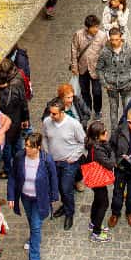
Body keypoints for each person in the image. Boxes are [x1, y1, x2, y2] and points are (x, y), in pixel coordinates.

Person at [12, 130, 58, 260]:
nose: (27, 149)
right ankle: (32, 239)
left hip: (40, 198)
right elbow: (13, 177)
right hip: (26, 197)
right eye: (26, 145)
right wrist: (11, 196)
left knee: (36, 226)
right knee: (32, 222)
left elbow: (53, 178)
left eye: (30, 146)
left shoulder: (46, 159)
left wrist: (53, 196)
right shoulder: (20, 157)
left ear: (38, 147)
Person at [41, 97, 86, 230]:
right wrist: (47, 153)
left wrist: (74, 156)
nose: (51, 116)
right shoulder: (47, 121)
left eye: (54, 113)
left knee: (66, 188)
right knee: (60, 187)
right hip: (54, 161)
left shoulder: (73, 124)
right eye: (50, 113)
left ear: (62, 112)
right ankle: (65, 205)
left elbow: (83, 142)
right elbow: (44, 137)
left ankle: (69, 213)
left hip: (69, 163)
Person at [0, 59, 29, 200]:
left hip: (5, 126)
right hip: (17, 122)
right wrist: (25, 119)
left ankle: (8, 170)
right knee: (17, 146)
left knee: (6, 148)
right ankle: (20, 167)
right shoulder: (16, 87)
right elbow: (24, 104)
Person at [96, 25, 131, 131]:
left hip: (126, 85)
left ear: (121, 38)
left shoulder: (129, 50)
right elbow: (99, 69)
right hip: (111, 86)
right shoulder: (105, 52)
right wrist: (105, 84)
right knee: (113, 112)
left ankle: (128, 131)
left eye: (117, 39)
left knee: (128, 110)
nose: (114, 42)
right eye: (112, 40)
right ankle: (115, 134)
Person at [84, 119, 116, 243]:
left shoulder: (95, 145)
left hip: (94, 179)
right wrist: (112, 152)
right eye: (104, 132)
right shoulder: (98, 150)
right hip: (98, 180)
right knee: (104, 203)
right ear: (97, 136)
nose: (106, 133)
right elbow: (110, 164)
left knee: (97, 201)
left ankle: (93, 222)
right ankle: (96, 232)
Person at [69, 15, 107, 119]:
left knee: (97, 92)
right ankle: (88, 109)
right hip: (82, 68)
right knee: (84, 91)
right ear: (87, 27)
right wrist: (74, 67)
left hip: (96, 69)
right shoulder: (78, 35)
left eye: (97, 26)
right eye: (93, 27)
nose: (96, 29)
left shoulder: (102, 36)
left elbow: (106, 52)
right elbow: (74, 50)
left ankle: (98, 110)